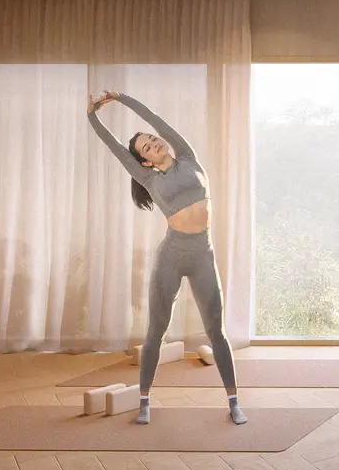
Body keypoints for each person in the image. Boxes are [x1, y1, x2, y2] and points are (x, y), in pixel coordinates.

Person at [87, 90, 243, 425]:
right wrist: (92, 115)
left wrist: (119, 97)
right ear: (144, 161)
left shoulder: (188, 157)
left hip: (203, 255)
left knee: (217, 331)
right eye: (146, 146)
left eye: (152, 139)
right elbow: (115, 147)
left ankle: (233, 401)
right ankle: (144, 402)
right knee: (156, 329)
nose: (153, 142)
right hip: (172, 256)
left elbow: (155, 120)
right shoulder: (148, 178)